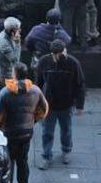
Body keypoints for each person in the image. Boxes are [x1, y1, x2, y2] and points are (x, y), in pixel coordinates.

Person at [0, 65, 49, 183]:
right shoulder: (35, 90)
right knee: (23, 162)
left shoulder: (5, 92)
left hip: (8, 133)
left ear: (15, 74)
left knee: (8, 164)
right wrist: (33, 120)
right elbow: (44, 109)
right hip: (26, 132)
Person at [35, 40, 85, 169]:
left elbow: (80, 84)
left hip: (66, 103)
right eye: (60, 53)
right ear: (53, 53)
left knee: (66, 130)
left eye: (64, 51)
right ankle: (46, 155)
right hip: (49, 104)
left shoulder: (73, 63)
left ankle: (66, 150)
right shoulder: (44, 62)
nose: (63, 55)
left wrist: (79, 105)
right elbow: (38, 83)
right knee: (47, 131)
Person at [0, 18, 23, 82]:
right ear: (12, 31)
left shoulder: (4, 33)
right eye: (17, 29)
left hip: (9, 71)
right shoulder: (4, 44)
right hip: (8, 75)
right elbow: (16, 62)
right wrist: (18, 44)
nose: (20, 30)